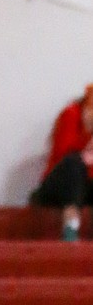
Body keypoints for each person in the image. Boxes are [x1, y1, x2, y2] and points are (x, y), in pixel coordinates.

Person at [30, 82, 93, 239]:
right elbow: (63, 156)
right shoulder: (72, 114)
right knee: (74, 163)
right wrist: (87, 136)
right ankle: (70, 228)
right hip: (59, 188)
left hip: (85, 191)